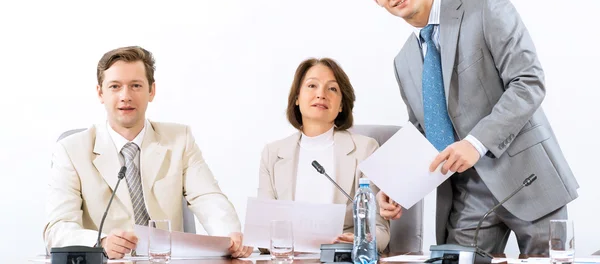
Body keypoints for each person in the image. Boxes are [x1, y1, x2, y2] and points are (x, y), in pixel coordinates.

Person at [360, 0, 579, 254]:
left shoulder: (487, 7)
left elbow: (527, 81)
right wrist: (395, 186)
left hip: (527, 179)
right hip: (465, 197)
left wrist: (475, 143)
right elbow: (423, 130)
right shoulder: (403, 61)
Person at [44, 46, 252, 259]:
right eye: (115, 86)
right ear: (100, 93)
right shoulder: (71, 150)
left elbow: (207, 196)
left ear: (151, 91)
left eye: (136, 85)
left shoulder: (180, 139)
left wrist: (229, 235)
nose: (125, 96)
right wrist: (102, 242)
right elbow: (58, 228)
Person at [258, 58, 390, 252]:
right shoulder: (273, 154)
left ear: (342, 105)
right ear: (296, 98)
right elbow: (262, 232)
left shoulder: (366, 150)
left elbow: (380, 230)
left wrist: (358, 240)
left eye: (332, 89)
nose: (321, 94)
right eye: (312, 85)